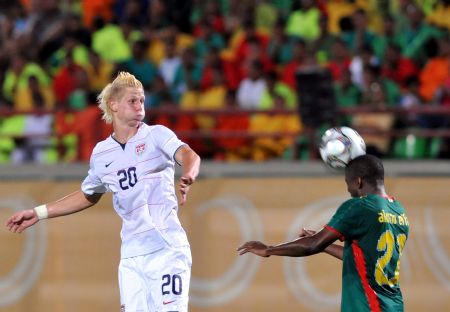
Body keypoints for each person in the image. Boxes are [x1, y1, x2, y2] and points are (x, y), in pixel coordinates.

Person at [6, 71, 201, 312]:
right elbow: (88, 194)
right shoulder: (101, 153)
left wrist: (189, 173)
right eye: (133, 100)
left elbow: (188, 154)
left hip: (167, 248)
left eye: (142, 100)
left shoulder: (156, 135)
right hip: (131, 256)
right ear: (114, 105)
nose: (140, 106)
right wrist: (39, 213)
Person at [238, 154, 409, 311]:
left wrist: (269, 249)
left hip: (369, 306)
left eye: (347, 183)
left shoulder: (359, 206)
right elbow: (365, 257)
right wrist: (325, 245)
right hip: (394, 306)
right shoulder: (398, 211)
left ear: (358, 181)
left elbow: (312, 246)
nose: (349, 190)